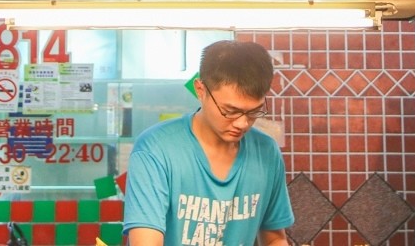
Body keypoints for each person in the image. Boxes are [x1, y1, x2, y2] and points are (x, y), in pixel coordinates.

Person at [123, 39, 294, 245]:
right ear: (200, 90)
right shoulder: (155, 150)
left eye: (253, 112)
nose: (242, 123)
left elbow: (274, 238)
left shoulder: (266, 152)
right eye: (230, 111)